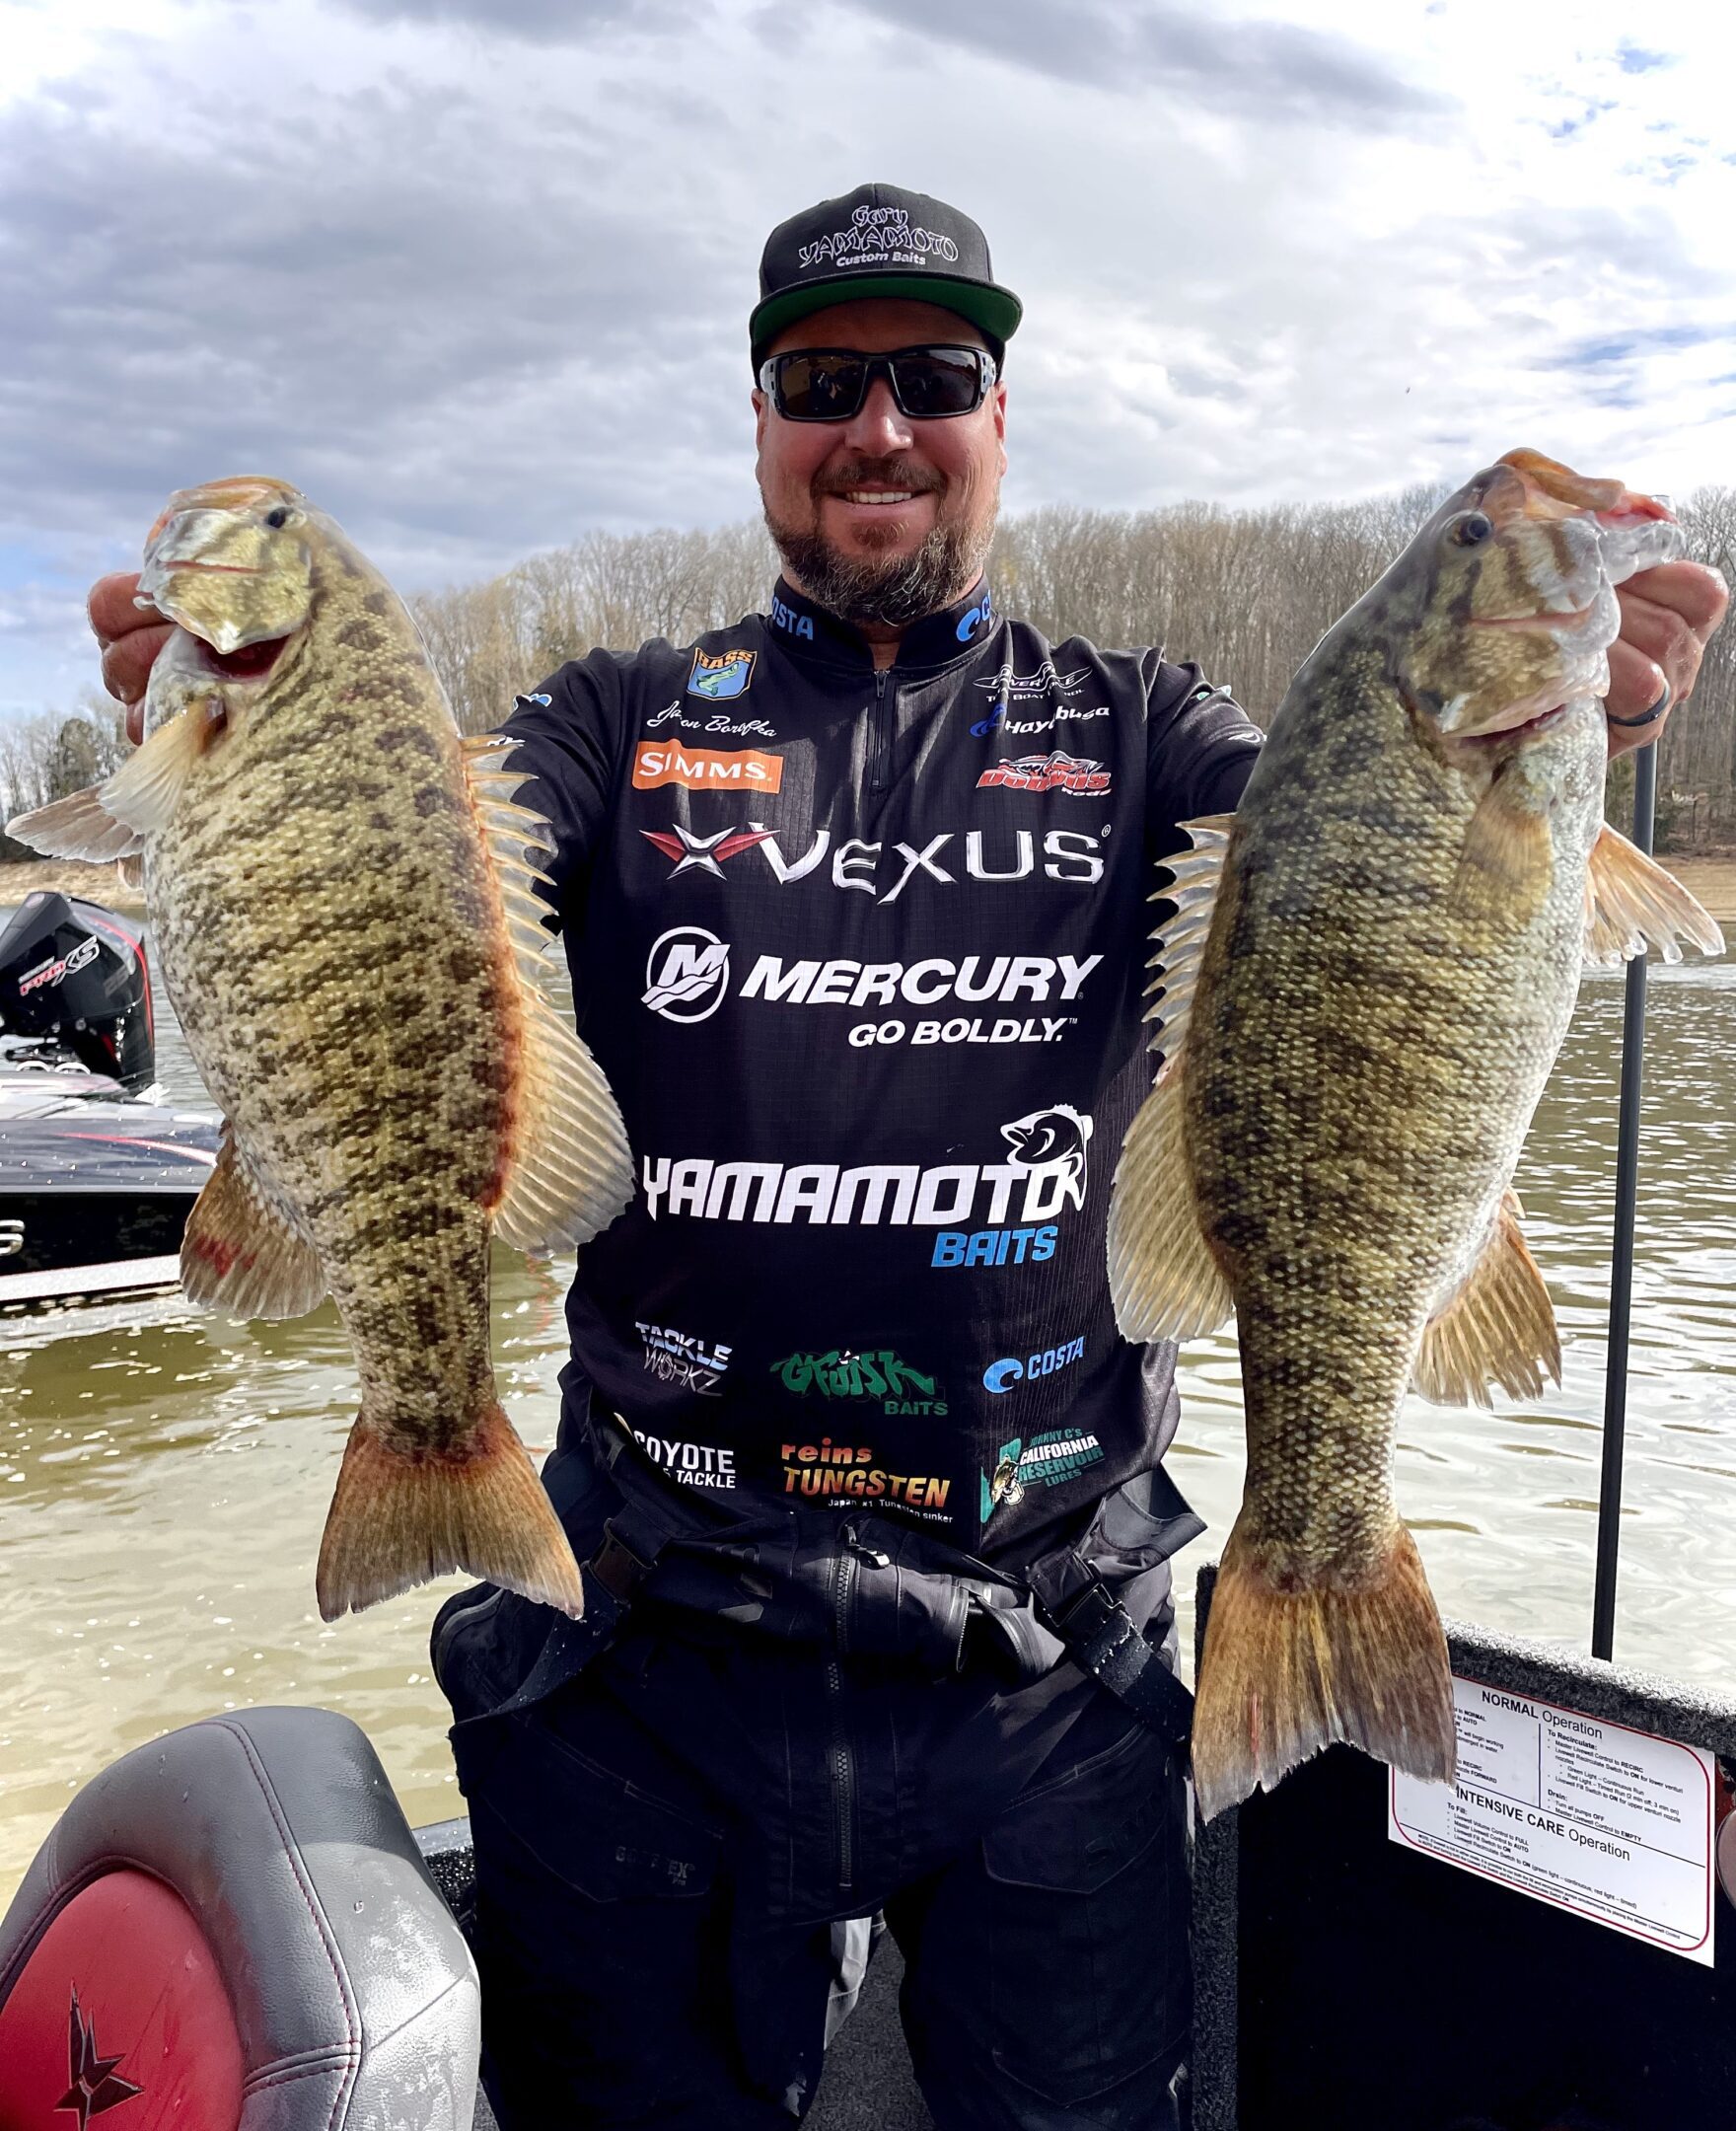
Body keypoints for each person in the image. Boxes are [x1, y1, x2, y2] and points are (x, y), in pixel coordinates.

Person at [90, 184, 1726, 2131]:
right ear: (764, 421)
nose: (878, 425)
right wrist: (265, 764)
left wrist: (1557, 726)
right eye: (822, 379)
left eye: (932, 375)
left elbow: (1352, 886)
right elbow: (410, 886)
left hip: (1052, 1671)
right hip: (639, 1651)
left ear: (998, 414)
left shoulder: (1148, 728)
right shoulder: (611, 723)